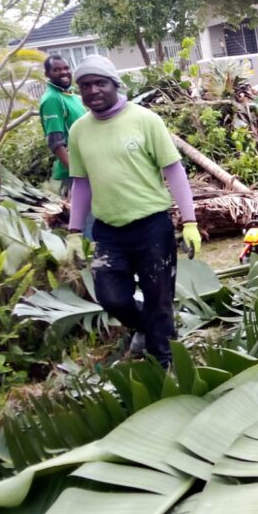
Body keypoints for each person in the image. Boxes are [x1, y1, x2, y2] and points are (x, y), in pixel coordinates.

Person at [66, 55, 202, 367]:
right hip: (108, 230)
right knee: (111, 297)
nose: (93, 91)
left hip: (152, 226)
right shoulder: (78, 131)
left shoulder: (145, 120)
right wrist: (74, 232)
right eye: (85, 86)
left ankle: (164, 361)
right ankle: (145, 328)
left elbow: (174, 172)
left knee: (159, 299)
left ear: (115, 84)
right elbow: (81, 184)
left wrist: (190, 221)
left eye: (100, 83)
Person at [38, 55, 87, 196]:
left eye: (66, 68)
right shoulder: (52, 99)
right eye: (57, 70)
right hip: (75, 174)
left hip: (88, 167)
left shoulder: (71, 96)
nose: (64, 72)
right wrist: (77, 173)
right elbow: (55, 141)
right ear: (47, 74)